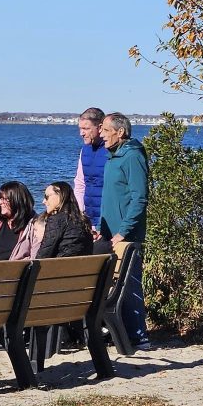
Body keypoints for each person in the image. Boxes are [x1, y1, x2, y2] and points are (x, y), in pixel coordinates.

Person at [95, 112, 150, 348]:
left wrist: (123, 231)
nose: (101, 134)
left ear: (120, 132)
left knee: (129, 284)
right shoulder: (113, 156)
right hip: (109, 232)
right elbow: (112, 197)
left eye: (106, 130)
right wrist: (102, 229)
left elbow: (139, 198)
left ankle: (139, 336)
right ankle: (119, 333)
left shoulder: (133, 156)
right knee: (112, 283)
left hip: (126, 235)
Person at [34, 181, 94, 259]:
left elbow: (44, 254)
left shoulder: (56, 220)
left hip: (60, 269)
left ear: (60, 195)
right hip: (84, 269)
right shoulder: (85, 220)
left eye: (47, 197)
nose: (44, 201)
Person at [73, 107, 108, 237]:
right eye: (80, 129)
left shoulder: (111, 150)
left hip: (107, 220)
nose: (81, 133)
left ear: (99, 128)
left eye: (86, 129)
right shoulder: (85, 150)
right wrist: (80, 215)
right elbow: (80, 184)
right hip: (88, 219)